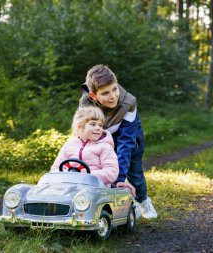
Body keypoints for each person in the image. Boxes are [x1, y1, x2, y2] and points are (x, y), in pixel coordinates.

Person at [79, 64, 157, 219]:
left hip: (129, 140)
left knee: (134, 173)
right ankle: (96, 200)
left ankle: (142, 200)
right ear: (93, 96)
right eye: (106, 93)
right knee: (97, 166)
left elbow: (125, 144)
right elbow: (83, 131)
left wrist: (119, 179)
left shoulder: (129, 103)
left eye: (114, 89)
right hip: (100, 139)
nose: (113, 96)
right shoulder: (85, 104)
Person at [51, 106, 131, 190]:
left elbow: (111, 172)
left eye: (100, 125)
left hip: (96, 189)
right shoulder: (69, 145)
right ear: (79, 126)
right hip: (69, 187)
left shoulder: (104, 147)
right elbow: (55, 168)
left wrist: (86, 175)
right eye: (93, 124)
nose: (98, 128)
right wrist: (68, 175)